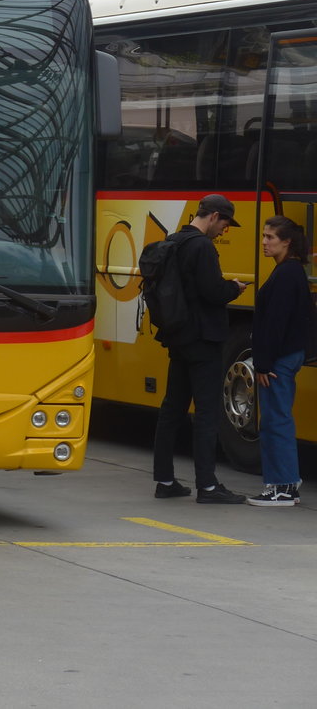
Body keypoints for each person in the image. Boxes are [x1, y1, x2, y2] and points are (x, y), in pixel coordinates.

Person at [152, 194, 248, 504]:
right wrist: (234, 287)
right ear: (214, 216)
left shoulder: (175, 240)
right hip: (203, 340)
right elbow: (212, 292)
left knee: (172, 409)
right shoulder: (202, 247)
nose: (223, 231)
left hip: (178, 336)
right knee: (207, 413)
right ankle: (207, 486)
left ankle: (165, 480)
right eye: (225, 224)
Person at [248, 215, 311, 507]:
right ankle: (286, 482)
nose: (264, 242)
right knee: (277, 417)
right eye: (263, 236)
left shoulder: (286, 274)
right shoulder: (292, 271)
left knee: (275, 420)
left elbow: (275, 323)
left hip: (279, 360)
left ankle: (283, 487)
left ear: (286, 241)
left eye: (270, 237)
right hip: (285, 356)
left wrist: (263, 363)